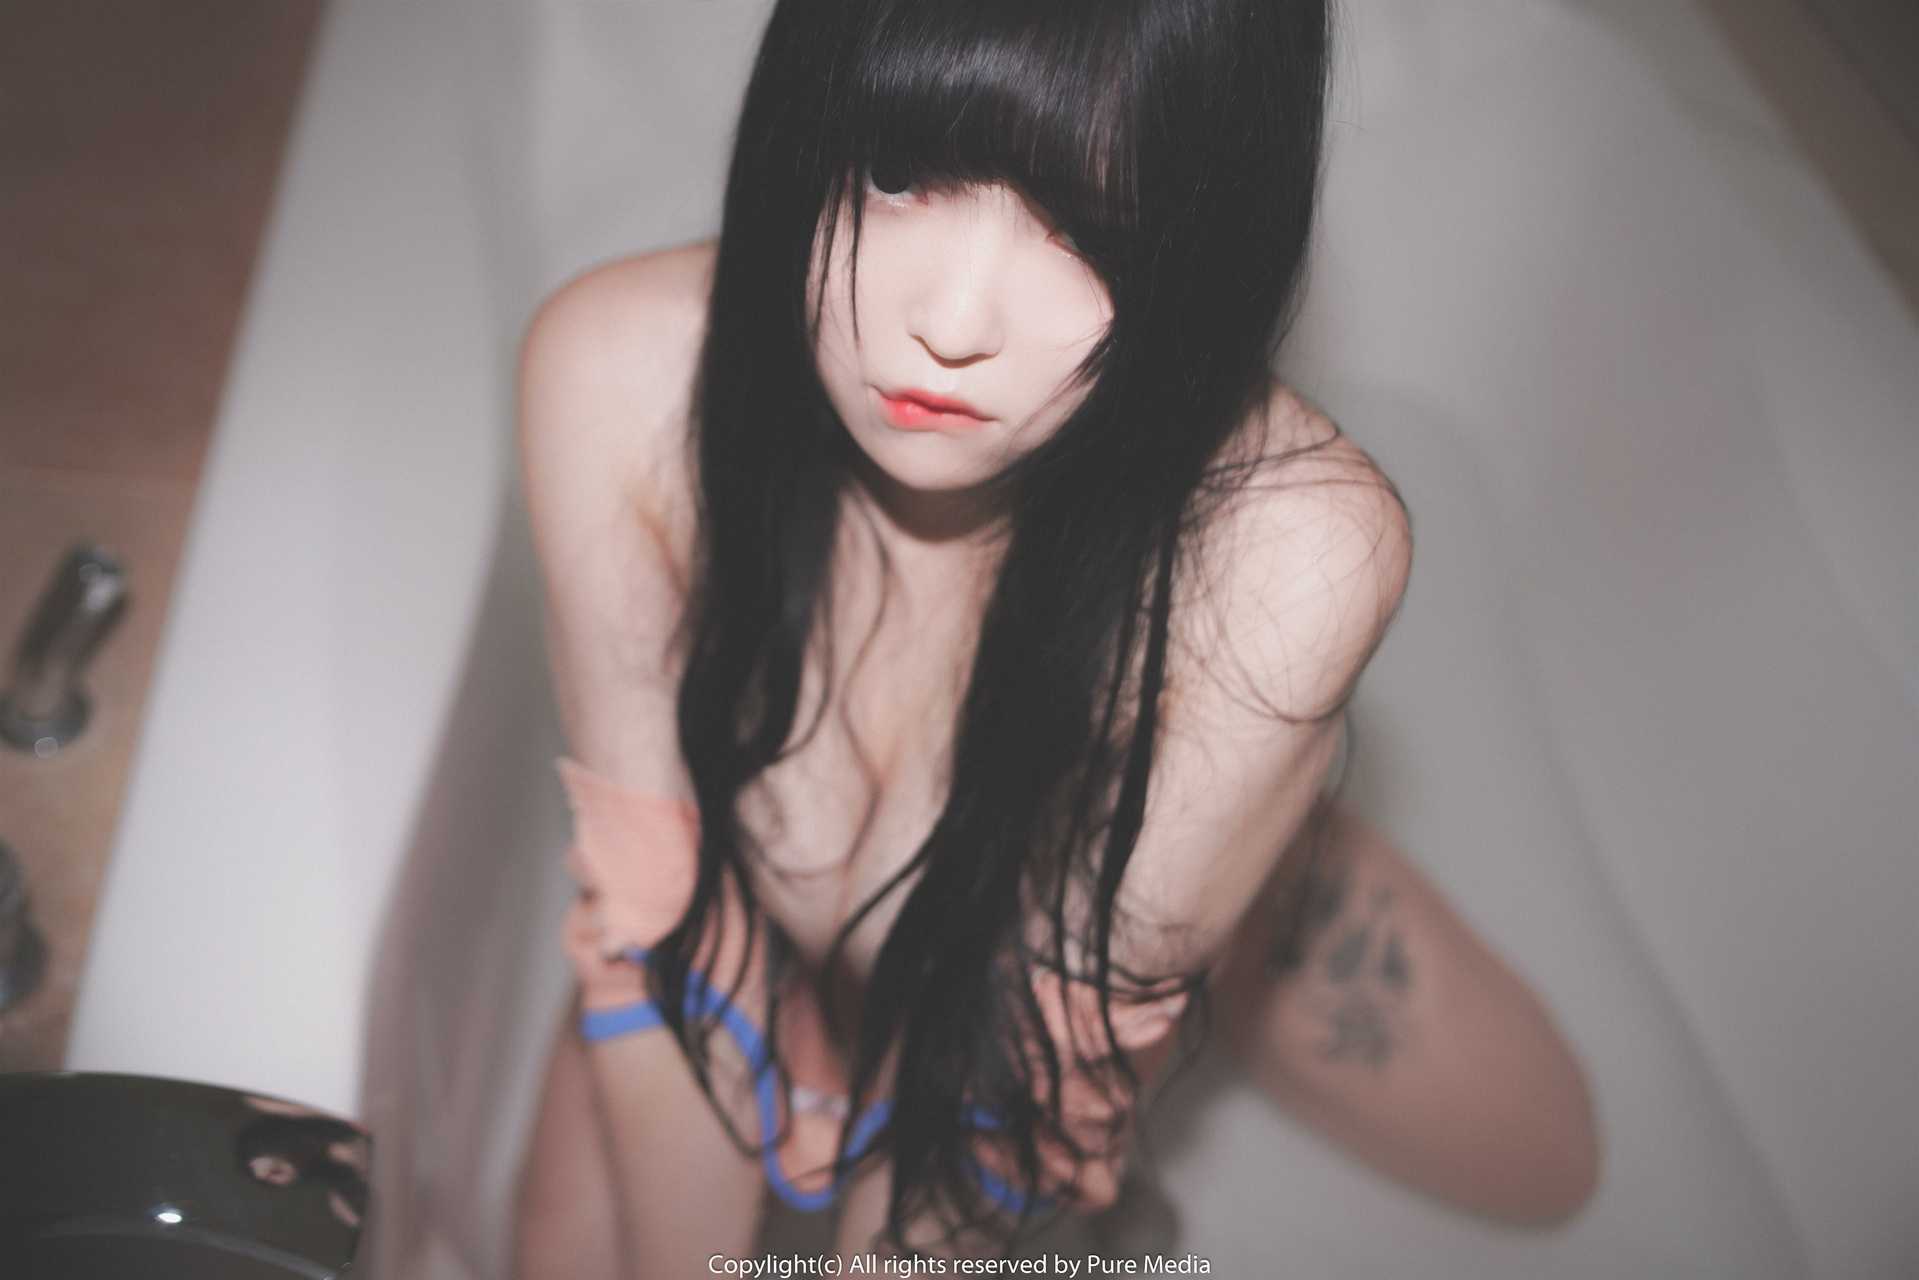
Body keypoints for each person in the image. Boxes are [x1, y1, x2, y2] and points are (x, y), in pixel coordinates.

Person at [512, 0, 1599, 1272]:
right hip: (742, 901)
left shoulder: (1285, 553)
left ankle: (1250, 836)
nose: (952, 319)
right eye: (899, 168)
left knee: (1542, 1159)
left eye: (1095, 221)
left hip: (1107, 881)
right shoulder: (620, 373)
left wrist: (1156, 917)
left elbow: (994, 1094)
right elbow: (662, 921)